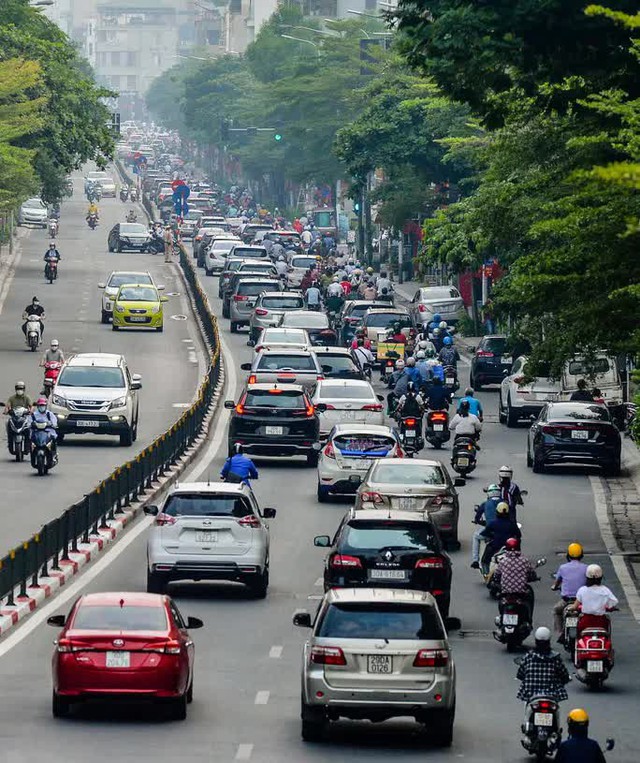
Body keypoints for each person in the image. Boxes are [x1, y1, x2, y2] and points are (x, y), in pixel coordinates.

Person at [517, 627, 570, 739]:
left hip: (532, 694)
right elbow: (564, 674)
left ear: (536, 641)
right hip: (551, 694)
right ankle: (556, 731)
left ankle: (527, 726)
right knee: (557, 710)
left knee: (526, 705)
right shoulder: (555, 658)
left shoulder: (529, 656)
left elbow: (521, 673)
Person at [492, 536, 537, 616]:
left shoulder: (503, 561)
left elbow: (496, 575)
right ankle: (529, 618)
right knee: (529, 597)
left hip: (506, 592)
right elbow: (531, 573)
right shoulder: (524, 560)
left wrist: (497, 580)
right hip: (520, 592)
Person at [567, 564, 619, 631]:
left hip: (585, 622)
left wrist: (570, 608)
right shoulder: (605, 590)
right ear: (600, 577)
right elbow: (613, 603)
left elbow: (575, 606)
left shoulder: (582, 590)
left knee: (578, 635)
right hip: (601, 623)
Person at [552, 543, 588, 640]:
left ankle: (560, 633)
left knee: (556, 610)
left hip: (566, 601)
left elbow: (557, 582)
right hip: (581, 602)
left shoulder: (563, 567)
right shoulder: (586, 568)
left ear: (568, 555)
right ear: (581, 555)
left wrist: (554, 586)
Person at [470, 484, 502, 569]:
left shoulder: (485, 504)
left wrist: (477, 521)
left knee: (476, 537)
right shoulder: (504, 503)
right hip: (504, 531)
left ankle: (475, 560)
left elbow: (477, 516)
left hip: (490, 531)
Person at [4, 381, 33, 454]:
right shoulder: (12, 398)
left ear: (24, 389)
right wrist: (6, 411)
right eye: (18, 388)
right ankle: (9, 441)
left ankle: (29, 444)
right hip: (14, 418)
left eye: (21, 388)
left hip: (24, 418)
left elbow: (31, 406)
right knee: (7, 423)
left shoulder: (27, 398)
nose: (19, 390)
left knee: (30, 426)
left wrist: (31, 411)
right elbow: (7, 406)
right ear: (15, 389)